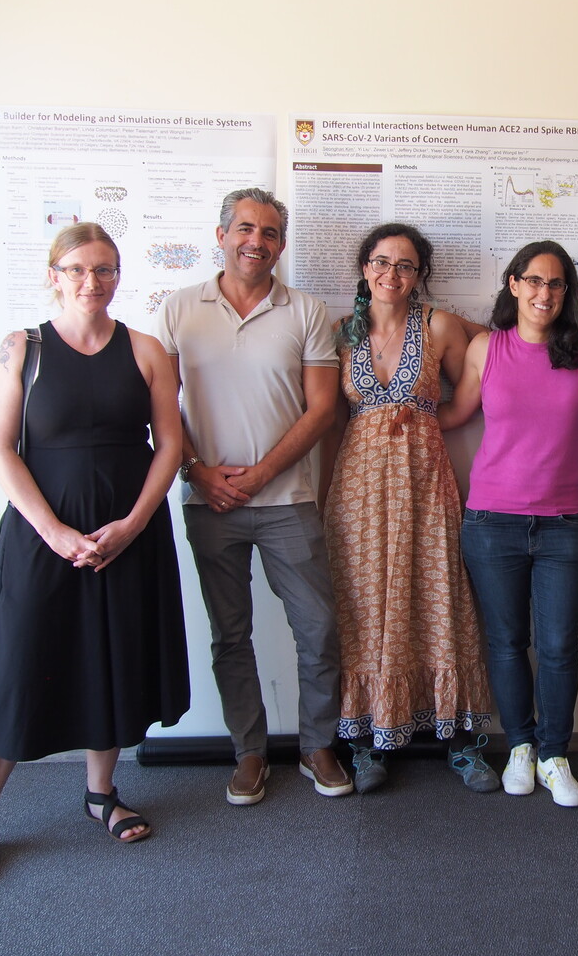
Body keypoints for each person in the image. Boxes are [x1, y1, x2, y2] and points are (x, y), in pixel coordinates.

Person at [0, 223, 189, 889]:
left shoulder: (144, 349)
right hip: (39, 533)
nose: (94, 282)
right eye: (79, 269)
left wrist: (134, 525)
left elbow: (169, 444)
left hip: (128, 531)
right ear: (53, 274)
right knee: (16, 672)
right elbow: (0, 449)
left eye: (106, 269)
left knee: (108, 660)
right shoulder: (21, 349)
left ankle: (101, 794)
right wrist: (55, 533)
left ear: (119, 275)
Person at [157, 188, 351, 806]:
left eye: (269, 233)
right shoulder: (178, 310)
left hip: (288, 499)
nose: (256, 242)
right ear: (221, 235)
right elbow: (160, 408)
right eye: (245, 229)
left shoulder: (307, 312)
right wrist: (196, 471)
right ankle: (249, 753)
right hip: (208, 502)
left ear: (281, 245)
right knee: (229, 634)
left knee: (318, 629)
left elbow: (323, 409)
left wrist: (263, 471)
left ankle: (317, 746)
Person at [320, 222, 498, 793]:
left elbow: (496, 351)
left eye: (405, 265)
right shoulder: (339, 334)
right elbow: (328, 421)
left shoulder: (440, 326)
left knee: (439, 595)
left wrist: (432, 418)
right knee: (365, 606)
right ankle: (368, 740)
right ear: (364, 268)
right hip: (358, 489)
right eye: (381, 262)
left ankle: (461, 740)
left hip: (425, 481)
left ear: (420, 275)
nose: (391, 274)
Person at [438, 240, 578, 807]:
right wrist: (391, 412)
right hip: (491, 522)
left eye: (556, 284)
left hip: (565, 523)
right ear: (513, 285)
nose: (544, 293)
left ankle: (556, 754)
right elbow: (457, 413)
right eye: (533, 280)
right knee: (507, 644)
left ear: (568, 293)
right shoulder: (486, 348)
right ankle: (521, 747)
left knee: (559, 647)